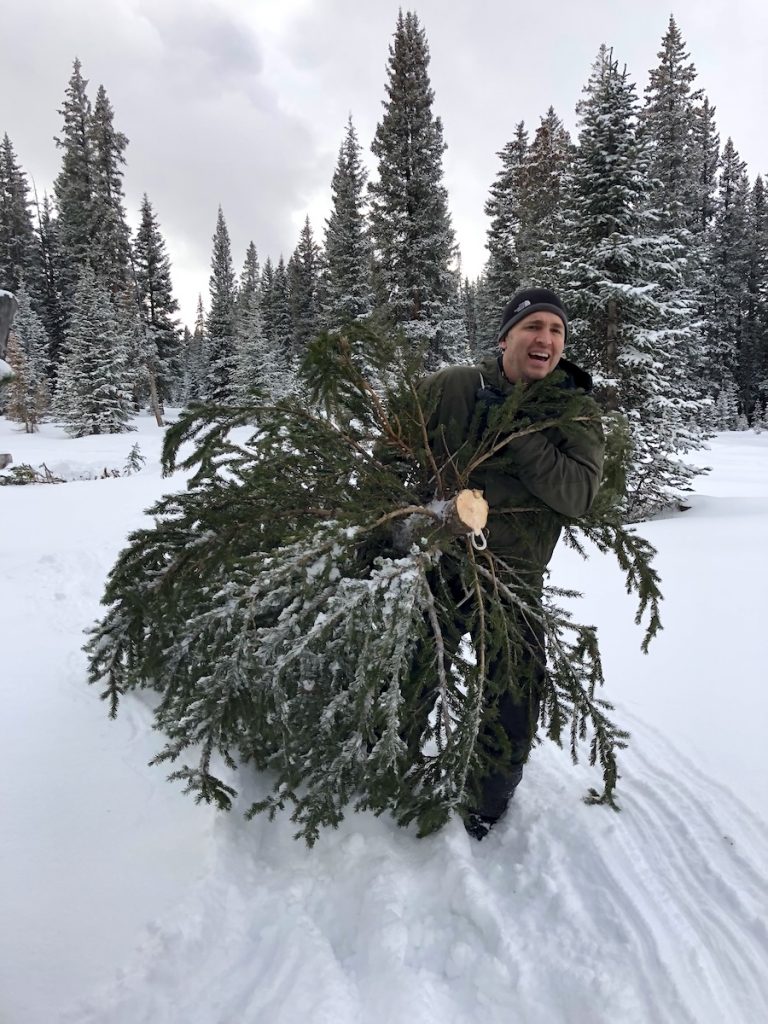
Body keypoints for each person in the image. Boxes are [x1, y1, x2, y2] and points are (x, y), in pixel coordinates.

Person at [417, 287, 605, 839]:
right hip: (442, 563)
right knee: (411, 668)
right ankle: (392, 766)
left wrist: (518, 433)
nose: (545, 338)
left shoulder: (574, 409)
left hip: (516, 578)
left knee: (515, 692)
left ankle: (486, 802)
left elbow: (577, 495)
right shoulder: (455, 386)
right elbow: (395, 455)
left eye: (556, 330)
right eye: (533, 327)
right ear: (505, 338)